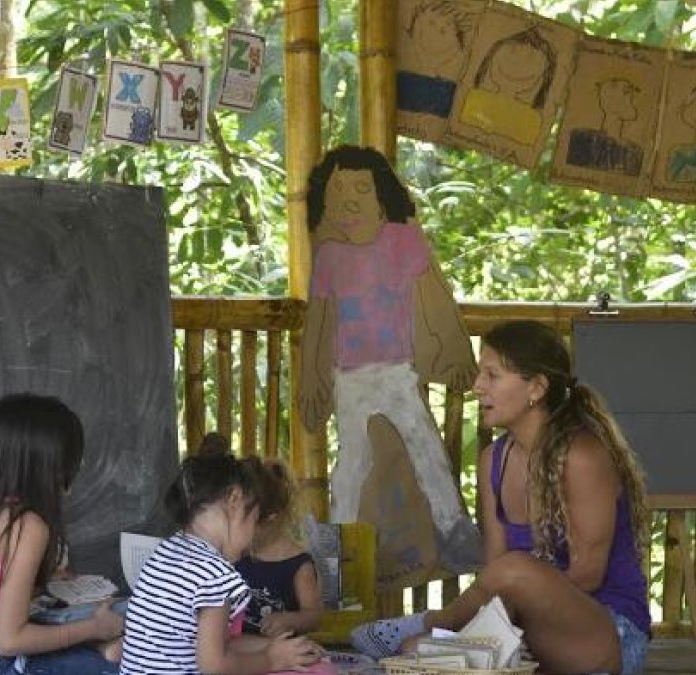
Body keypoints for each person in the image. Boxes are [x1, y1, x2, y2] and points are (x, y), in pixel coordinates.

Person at [350, 320, 651, 675]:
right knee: (418, 649)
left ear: (536, 387)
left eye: (492, 375)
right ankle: (445, 638)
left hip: (607, 638)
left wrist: (510, 608)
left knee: (515, 569)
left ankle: (434, 621)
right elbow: (493, 569)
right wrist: (497, 627)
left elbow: (587, 575)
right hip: (529, 632)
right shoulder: (494, 460)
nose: (478, 387)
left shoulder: (582, 456)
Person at [300, 145, 481, 576]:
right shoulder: (329, 255)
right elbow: (321, 322)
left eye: (362, 189)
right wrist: (312, 378)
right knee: (352, 463)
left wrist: (455, 352)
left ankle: (453, 528)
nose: (349, 200)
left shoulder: (403, 241)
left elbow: (435, 299)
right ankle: (337, 555)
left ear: (383, 199)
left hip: (399, 371)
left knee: (424, 445)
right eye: (339, 190)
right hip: (350, 378)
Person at [0, 393, 121, 675]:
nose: (78, 466)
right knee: (127, 658)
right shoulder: (26, 524)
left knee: (94, 644)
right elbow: (9, 641)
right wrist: (94, 627)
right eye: (71, 456)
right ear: (45, 463)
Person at [119, 434, 331, 674]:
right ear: (234, 500)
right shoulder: (215, 575)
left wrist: (278, 647)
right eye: (253, 519)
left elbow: (219, 642)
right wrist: (271, 660)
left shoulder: (167, 551)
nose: (251, 536)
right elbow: (215, 665)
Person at [234, 449, 324, 637]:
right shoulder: (236, 554)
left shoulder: (298, 564)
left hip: (279, 655)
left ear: (269, 518)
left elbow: (314, 615)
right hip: (238, 653)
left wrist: (289, 619)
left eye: (240, 522)